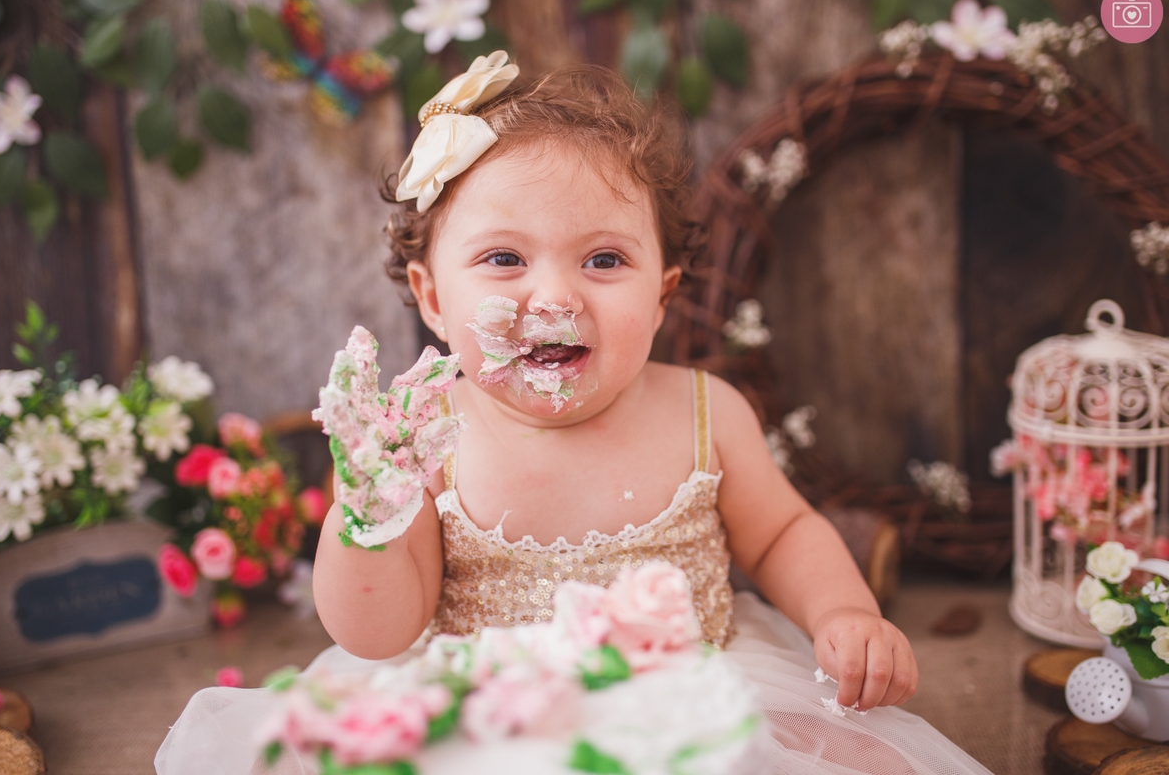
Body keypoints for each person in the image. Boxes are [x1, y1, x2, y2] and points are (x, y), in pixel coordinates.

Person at [156, 52, 992, 775]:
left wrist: (842, 612)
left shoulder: (705, 411)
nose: (553, 296)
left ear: (662, 296)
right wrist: (368, 515)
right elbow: (379, 634)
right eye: (504, 258)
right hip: (482, 712)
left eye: (603, 259)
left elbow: (782, 534)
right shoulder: (428, 439)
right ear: (433, 297)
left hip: (690, 688)